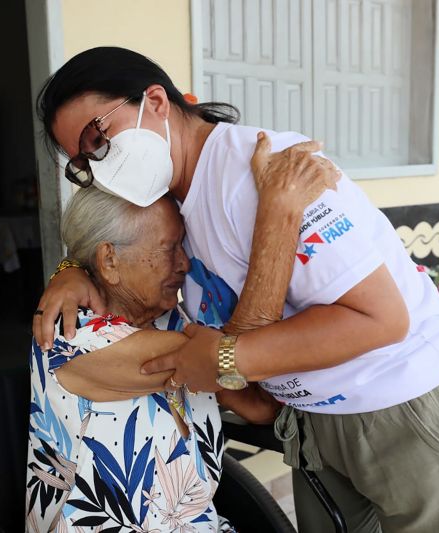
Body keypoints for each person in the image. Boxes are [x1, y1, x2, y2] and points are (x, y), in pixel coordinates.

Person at [33, 46, 439, 532]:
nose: (98, 167)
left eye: (98, 137)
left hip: (406, 404)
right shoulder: (166, 201)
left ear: (155, 101)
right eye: (82, 163)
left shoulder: (271, 172)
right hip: (318, 422)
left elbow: (381, 318)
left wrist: (226, 358)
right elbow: (111, 248)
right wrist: (72, 266)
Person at [26, 136, 335, 532]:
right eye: (170, 247)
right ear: (109, 260)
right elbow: (232, 357)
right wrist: (278, 216)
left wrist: (67, 265)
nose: (185, 263)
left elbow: (257, 405)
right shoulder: (69, 333)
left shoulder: (171, 319)